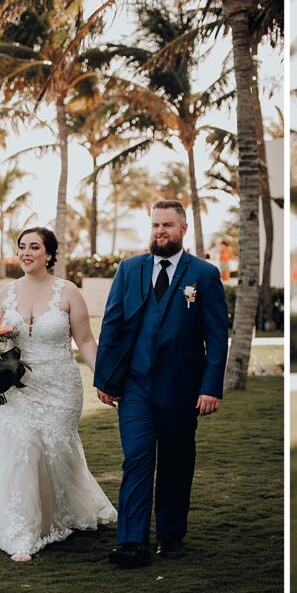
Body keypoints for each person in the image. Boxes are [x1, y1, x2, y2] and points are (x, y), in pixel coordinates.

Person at [94, 200, 228, 568]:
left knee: (175, 462)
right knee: (136, 459)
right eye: (155, 225)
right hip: (135, 386)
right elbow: (112, 324)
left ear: (183, 228)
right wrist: (104, 378)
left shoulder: (204, 274)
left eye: (167, 225)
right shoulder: (129, 269)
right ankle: (132, 541)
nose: (160, 232)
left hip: (182, 387)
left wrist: (211, 387)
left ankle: (170, 534)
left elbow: (217, 337)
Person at [0, 226, 117, 562]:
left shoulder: (68, 292)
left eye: (34, 247)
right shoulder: (5, 295)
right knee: (24, 446)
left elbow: (85, 341)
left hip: (60, 387)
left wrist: (104, 379)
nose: (26, 253)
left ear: (49, 254)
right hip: (19, 388)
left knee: (55, 449)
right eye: (22, 247)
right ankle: (23, 531)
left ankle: (57, 513)